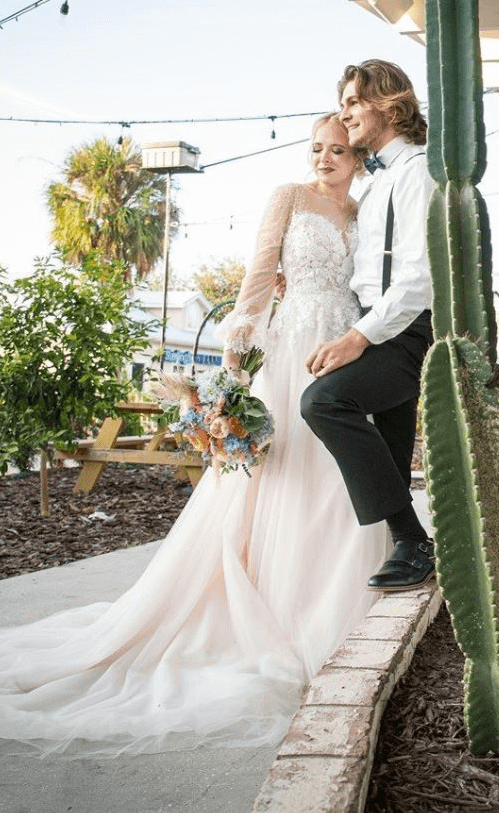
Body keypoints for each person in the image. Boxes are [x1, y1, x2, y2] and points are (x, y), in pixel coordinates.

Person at [0, 115, 388, 756]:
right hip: (290, 347)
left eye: (337, 149)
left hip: (344, 349)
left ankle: (336, 611)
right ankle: (274, 609)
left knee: (340, 482)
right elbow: (260, 272)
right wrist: (236, 359)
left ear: (357, 154)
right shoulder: (288, 198)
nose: (324, 158)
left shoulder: (367, 210)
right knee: (282, 475)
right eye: (316, 148)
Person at [301, 59, 436, 593]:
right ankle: (409, 552)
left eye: (355, 102)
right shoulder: (379, 179)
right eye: (344, 103)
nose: (346, 113)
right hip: (379, 321)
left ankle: (411, 540)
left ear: (389, 104)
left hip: (407, 327)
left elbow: (418, 275)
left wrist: (360, 337)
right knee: (395, 448)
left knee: (325, 402)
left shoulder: (417, 171)